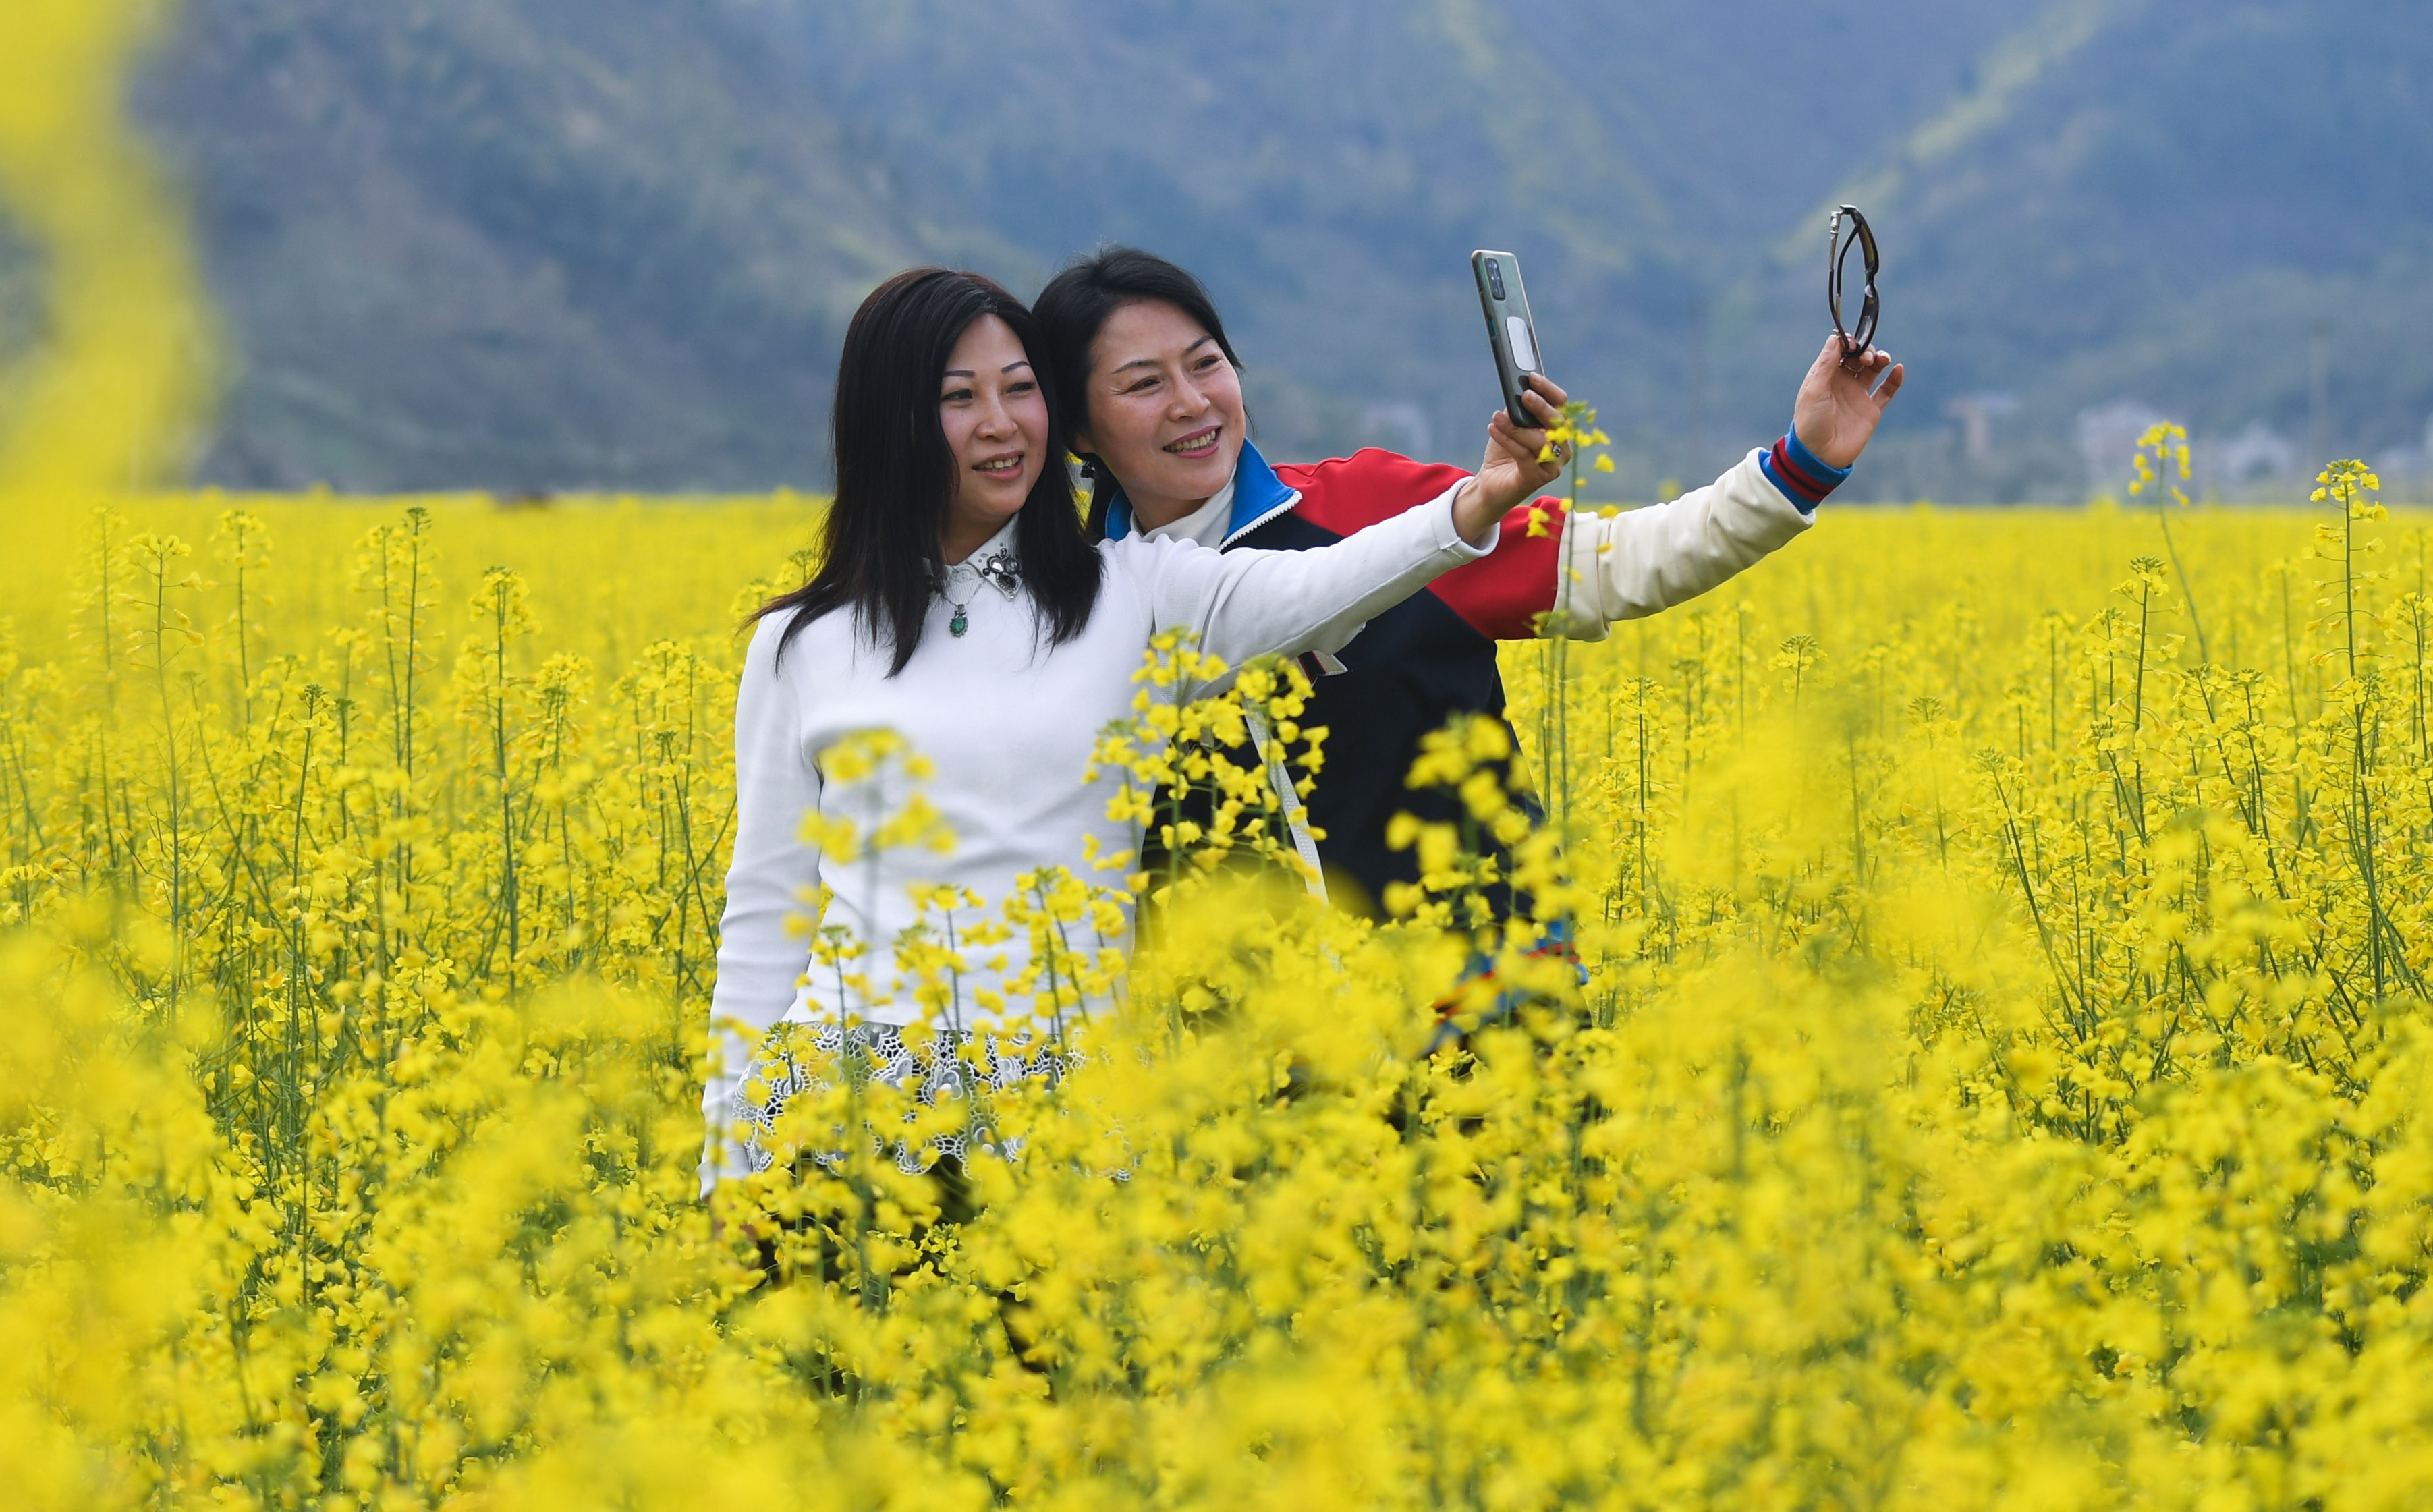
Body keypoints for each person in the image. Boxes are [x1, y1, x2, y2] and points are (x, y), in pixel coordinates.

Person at [702, 264, 1566, 1183]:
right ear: (890, 421)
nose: (1001, 423)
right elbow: (766, 911)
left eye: (1020, 390)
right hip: (836, 1104)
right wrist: (723, 1167)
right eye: (959, 398)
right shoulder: (802, 643)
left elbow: (1325, 584)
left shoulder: (1134, 590)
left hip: (1058, 1110)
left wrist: (1479, 501)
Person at [1032, 246, 1903, 920]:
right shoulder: (1062, 613)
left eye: (1206, 364)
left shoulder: (1373, 508)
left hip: (1482, 1016)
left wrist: (1801, 465)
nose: (1192, 402)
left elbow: (1619, 565)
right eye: (1143, 384)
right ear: (1077, 429)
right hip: (1241, 1065)